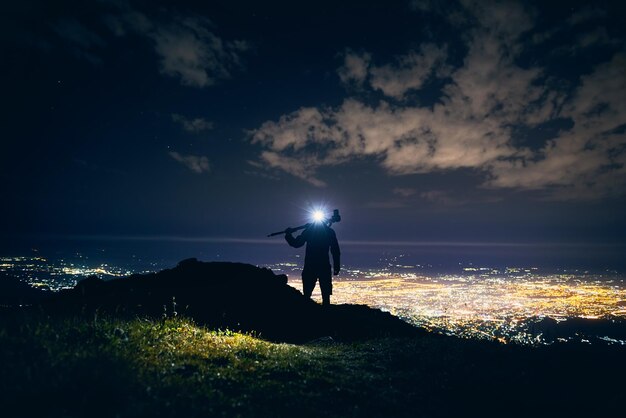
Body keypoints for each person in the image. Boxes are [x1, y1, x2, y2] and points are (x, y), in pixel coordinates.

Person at [285, 221, 340, 306]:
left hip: (311, 265)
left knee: (307, 294)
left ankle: (308, 314)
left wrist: (288, 235)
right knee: (325, 295)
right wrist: (337, 266)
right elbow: (335, 250)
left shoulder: (309, 231)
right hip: (323, 266)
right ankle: (326, 314)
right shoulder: (329, 232)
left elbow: (297, 243)